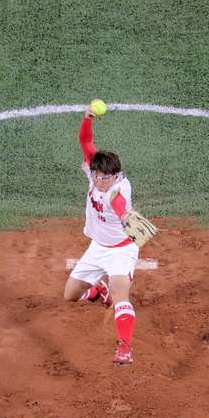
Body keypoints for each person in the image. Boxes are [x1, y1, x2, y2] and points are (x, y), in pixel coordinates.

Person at [63, 101, 139, 365]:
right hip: (98, 248)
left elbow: (119, 205)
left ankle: (125, 347)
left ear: (116, 176)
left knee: (122, 295)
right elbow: (85, 141)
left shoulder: (119, 191)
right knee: (70, 295)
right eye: (97, 176)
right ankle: (99, 292)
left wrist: (125, 216)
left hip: (121, 249)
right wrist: (87, 117)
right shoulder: (94, 174)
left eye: (106, 178)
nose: (99, 181)